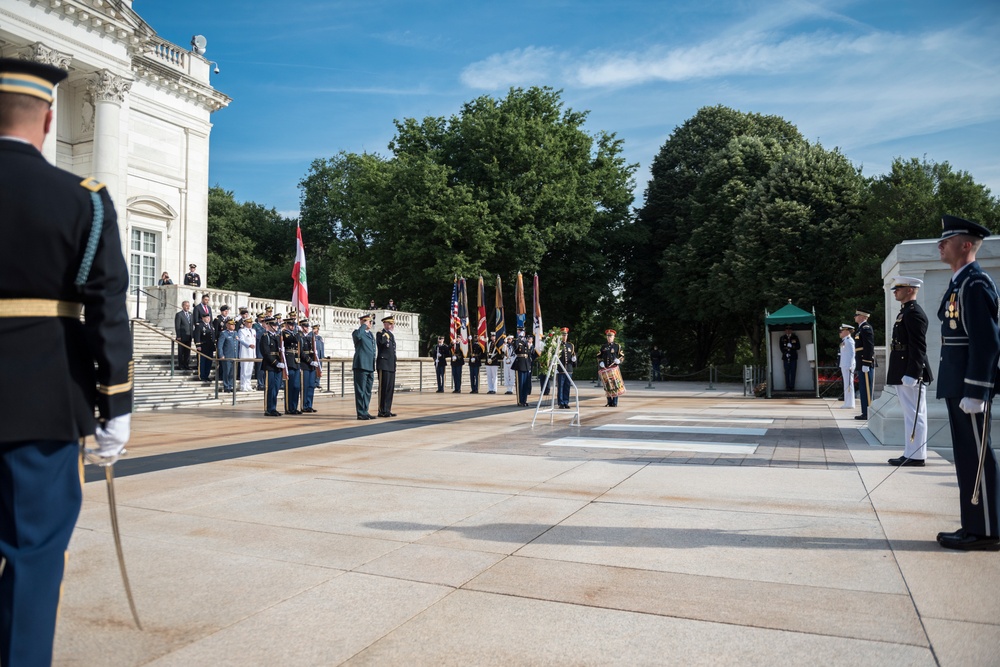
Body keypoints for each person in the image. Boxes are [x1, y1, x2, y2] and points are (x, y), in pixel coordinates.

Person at [0, 57, 132, 667]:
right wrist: (116, 404)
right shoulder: (84, 199)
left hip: (46, 399)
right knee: (33, 556)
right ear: (49, 119)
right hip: (44, 399)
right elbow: (106, 306)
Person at [934, 215, 1000, 551]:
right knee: (966, 455)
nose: (940, 246)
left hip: (968, 386)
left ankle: (987, 531)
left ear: (965, 245)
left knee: (977, 457)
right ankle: (975, 525)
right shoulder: (960, 283)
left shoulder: (975, 284)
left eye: (946, 241)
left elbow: (987, 343)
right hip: (957, 383)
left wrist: (976, 390)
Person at [885, 276, 933, 467]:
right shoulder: (905, 312)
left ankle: (917, 455)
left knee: (915, 414)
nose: (895, 291)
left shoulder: (914, 314)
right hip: (903, 367)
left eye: (899, 288)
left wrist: (913, 372)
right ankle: (911, 452)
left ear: (911, 290)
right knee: (910, 413)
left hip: (910, 370)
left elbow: (918, 346)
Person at [854, 310, 877, 420]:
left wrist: (866, 362)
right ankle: (865, 412)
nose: (855, 317)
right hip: (861, 362)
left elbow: (869, 346)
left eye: (857, 315)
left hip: (865, 362)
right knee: (863, 388)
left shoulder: (866, 328)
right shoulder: (860, 329)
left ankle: (868, 413)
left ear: (863, 317)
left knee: (867, 389)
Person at [352, 314, 376, 419]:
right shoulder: (357, 333)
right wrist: (363, 325)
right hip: (361, 365)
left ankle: (365, 410)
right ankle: (360, 412)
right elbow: (358, 337)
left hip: (370, 366)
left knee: (367, 391)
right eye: (369, 322)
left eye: (371, 322)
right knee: (360, 390)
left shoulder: (370, 334)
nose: (370, 324)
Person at [259, 316, 283, 416]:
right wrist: (276, 363)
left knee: (276, 388)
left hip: (278, 366)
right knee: (270, 387)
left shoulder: (277, 337)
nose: (276, 327)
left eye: (276, 325)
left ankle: (273, 408)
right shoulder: (265, 337)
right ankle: (268, 409)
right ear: (268, 325)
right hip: (270, 365)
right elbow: (266, 353)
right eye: (273, 325)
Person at [280, 313, 302, 414]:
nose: (292, 327)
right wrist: (298, 332)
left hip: (296, 362)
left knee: (296, 386)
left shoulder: (294, 333)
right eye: (291, 325)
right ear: (287, 325)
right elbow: (293, 339)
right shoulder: (285, 333)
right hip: (289, 362)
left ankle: (294, 407)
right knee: (290, 387)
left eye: (293, 325)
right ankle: (289, 408)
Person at [376, 315, 398, 417]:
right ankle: (382, 410)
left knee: (390, 388)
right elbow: (380, 344)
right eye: (390, 324)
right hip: (383, 364)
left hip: (391, 364)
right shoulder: (380, 334)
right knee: (383, 388)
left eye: (392, 324)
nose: (392, 325)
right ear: (385, 324)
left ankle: (388, 409)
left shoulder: (391, 335)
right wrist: (385, 336)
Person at [598, 329, 624, 407]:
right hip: (606, 368)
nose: (609, 337)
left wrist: (619, 361)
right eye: (608, 336)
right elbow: (599, 356)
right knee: (607, 385)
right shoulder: (603, 346)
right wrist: (601, 362)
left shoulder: (617, 346)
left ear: (614, 337)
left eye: (611, 336)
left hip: (614, 368)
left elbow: (622, 356)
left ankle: (615, 402)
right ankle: (609, 401)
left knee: (615, 384)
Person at [299, 318, 319, 412]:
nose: (307, 328)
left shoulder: (311, 337)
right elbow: (301, 352)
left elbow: (314, 351)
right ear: (302, 327)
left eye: (307, 326)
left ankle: (309, 404)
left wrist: (315, 361)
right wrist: (310, 361)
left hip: (312, 365)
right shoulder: (300, 337)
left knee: (311, 385)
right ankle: (304, 405)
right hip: (305, 364)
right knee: (305, 386)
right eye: (305, 326)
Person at [557, 327, 577, 409]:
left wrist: (574, 360)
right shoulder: (557, 345)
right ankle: (561, 402)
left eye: (565, 335)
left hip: (568, 369)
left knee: (567, 387)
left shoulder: (570, 345)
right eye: (563, 335)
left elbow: (573, 356)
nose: (564, 336)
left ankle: (566, 402)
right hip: (561, 369)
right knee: (560, 387)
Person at [217, 318, 239, 392]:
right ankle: (226, 386)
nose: (233, 326)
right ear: (227, 325)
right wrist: (221, 355)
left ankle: (231, 385)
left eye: (234, 324)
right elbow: (220, 345)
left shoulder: (235, 333)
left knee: (233, 372)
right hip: (227, 356)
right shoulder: (224, 333)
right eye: (231, 324)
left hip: (234, 356)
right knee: (227, 371)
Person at [512, 329, 533, 407]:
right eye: (520, 332)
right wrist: (518, 338)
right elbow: (515, 348)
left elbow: (529, 354)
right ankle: (520, 400)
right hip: (520, 364)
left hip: (526, 364)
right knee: (520, 384)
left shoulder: (526, 342)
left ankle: (524, 400)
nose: (522, 333)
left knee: (525, 384)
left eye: (523, 332)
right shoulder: (517, 341)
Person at [193, 312, 216, 381]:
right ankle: (202, 376)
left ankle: (207, 375)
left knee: (209, 362)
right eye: (206, 317)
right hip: (203, 347)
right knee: (202, 362)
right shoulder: (199, 325)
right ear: (203, 318)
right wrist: (198, 345)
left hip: (210, 347)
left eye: (209, 317)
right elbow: (197, 336)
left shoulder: (211, 326)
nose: (208, 319)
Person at [838, 324, 856, 409]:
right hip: (844, 364)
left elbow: (852, 353)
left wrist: (850, 364)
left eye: (842, 330)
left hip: (848, 365)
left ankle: (850, 403)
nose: (840, 332)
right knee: (846, 384)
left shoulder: (849, 340)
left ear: (847, 331)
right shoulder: (845, 340)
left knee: (849, 384)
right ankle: (847, 402)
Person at [238, 317, 257, 393]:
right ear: (245, 323)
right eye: (248, 323)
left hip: (252, 353)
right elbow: (241, 340)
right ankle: (243, 385)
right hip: (245, 353)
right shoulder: (242, 331)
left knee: (250, 370)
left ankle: (248, 384)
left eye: (251, 323)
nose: (250, 324)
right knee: (244, 370)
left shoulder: (253, 331)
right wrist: (248, 345)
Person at [174, 300, 194, 370]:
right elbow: (177, 326)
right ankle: (181, 365)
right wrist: (178, 336)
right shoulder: (179, 314)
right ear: (183, 306)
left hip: (189, 336)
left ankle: (186, 365)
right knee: (181, 351)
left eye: (188, 306)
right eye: (186, 305)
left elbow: (192, 325)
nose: (187, 307)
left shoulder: (191, 314)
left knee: (187, 352)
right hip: (182, 337)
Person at [779, 326, 800, 391]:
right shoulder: (782, 338)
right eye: (787, 329)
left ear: (791, 330)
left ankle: (792, 386)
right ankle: (787, 386)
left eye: (789, 329)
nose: (788, 331)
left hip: (793, 357)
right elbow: (781, 348)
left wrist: (792, 346)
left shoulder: (795, 337)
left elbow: (798, 347)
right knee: (787, 372)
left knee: (793, 372)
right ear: (785, 330)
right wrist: (785, 353)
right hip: (786, 357)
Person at [312, 324, 325, 389]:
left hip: (320, 356)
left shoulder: (320, 337)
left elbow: (322, 347)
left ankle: (318, 382)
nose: (317, 331)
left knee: (319, 369)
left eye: (318, 330)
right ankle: (314, 382)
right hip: (315, 356)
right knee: (315, 369)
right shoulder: (311, 336)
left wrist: (323, 355)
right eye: (316, 329)